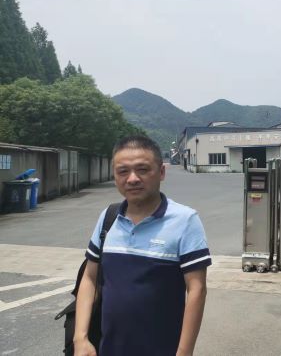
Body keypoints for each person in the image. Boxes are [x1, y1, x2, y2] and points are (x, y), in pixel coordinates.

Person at [74, 135, 211, 356]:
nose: (132, 179)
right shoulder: (108, 218)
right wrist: (80, 338)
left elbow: (197, 289)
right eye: (123, 171)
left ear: (161, 172)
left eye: (142, 170)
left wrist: (184, 353)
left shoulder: (185, 220)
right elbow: (90, 278)